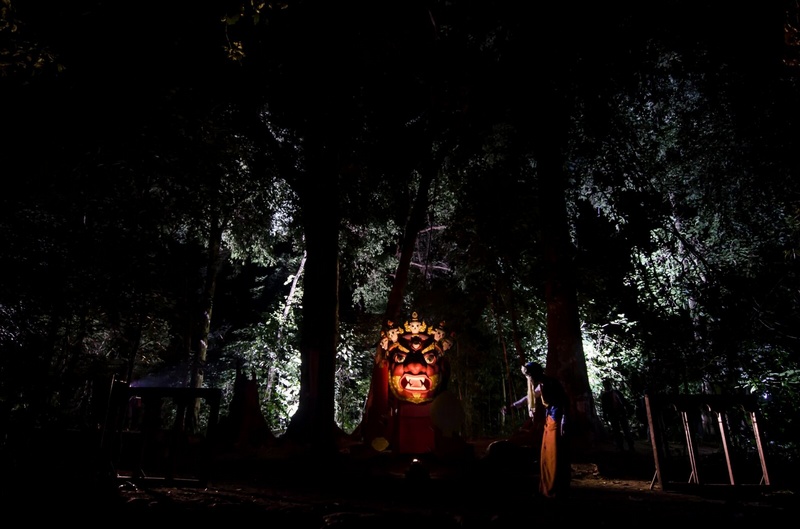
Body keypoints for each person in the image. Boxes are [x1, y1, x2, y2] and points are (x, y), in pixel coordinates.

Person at [507, 361, 570, 499]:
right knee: (546, 453)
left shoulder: (551, 383)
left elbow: (564, 401)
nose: (529, 378)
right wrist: (514, 406)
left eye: (530, 375)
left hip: (556, 419)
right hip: (550, 419)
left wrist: (564, 421)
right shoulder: (541, 384)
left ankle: (555, 488)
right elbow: (529, 398)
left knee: (554, 454)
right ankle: (546, 487)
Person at [600, 379, 635, 452]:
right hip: (613, 414)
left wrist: (628, 409)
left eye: (608, 385)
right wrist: (605, 415)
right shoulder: (605, 396)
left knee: (625, 430)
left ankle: (630, 445)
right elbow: (604, 407)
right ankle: (621, 446)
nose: (607, 387)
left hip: (620, 413)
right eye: (606, 385)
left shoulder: (616, 393)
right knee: (617, 431)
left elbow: (624, 401)